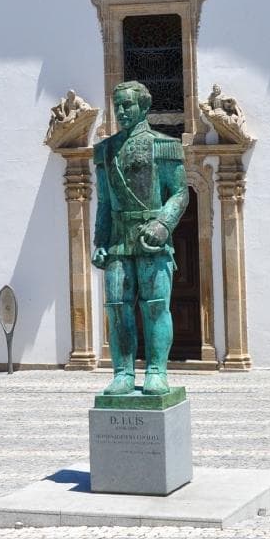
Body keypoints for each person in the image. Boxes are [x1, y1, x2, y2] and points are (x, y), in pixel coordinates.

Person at [91, 80, 189, 396]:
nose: (120, 111)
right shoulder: (105, 151)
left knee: (156, 306)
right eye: (117, 105)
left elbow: (179, 193)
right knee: (117, 307)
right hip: (119, 239)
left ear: (144, 107)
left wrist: (163, 225)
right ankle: (122, 373)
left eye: (127, 105)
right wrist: (100, 241)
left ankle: (157, 371)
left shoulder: (164, 145)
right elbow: (105, 202)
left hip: (153, 239)